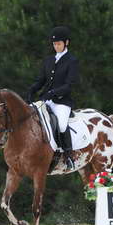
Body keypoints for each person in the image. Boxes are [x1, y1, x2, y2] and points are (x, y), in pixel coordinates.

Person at [27, 26, 79, 169]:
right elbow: (41, 80)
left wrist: (53, 92)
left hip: (62, 101)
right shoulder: (49, 60)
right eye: (54, 44)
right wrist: (33, 89)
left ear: (66, 43)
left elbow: (69, 85)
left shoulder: (71, 60)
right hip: (46, 101)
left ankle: (69, 156)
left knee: (61, 124)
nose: (56, 46)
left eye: (59, 44)